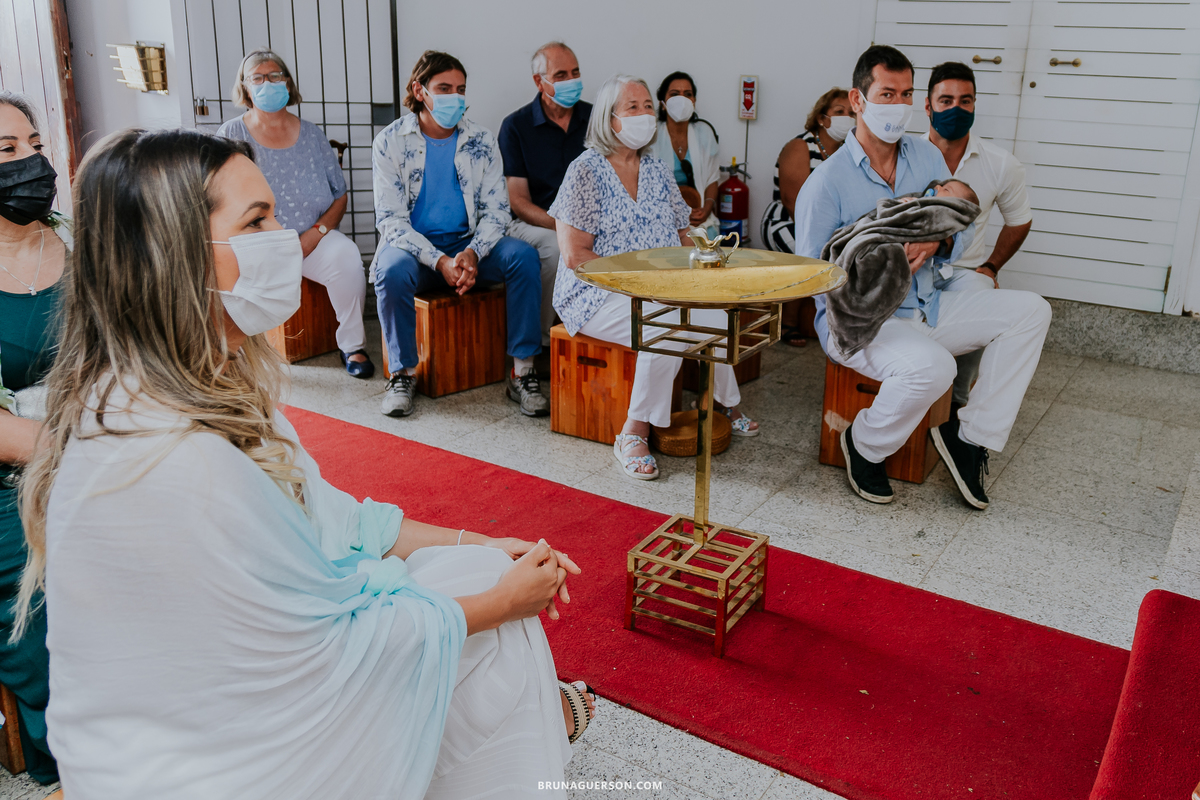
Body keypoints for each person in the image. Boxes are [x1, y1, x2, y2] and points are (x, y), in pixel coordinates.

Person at [15, 127, 595, 799]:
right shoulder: (163, 455)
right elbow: (314, 659)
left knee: (484, 573)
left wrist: (485, 543)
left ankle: (526, 738)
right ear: (174, 256)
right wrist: (495, 606)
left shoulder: (206, 381)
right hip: (223, 757)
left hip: (261, 694)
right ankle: (537, 732)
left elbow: (338, 519)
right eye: (258, 221)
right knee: (494, 635)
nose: (284, 237)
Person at [794, 45, 1051, 510]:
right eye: (886, 94)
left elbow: (959, 220)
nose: (898, 105)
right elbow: (811, 274)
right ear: (858, 99)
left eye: (906, 94)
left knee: (1032, 311)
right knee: (937, 367)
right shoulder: (825, 183)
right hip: (863, 321)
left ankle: (969, 437)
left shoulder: (926, 157)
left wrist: (936, 241)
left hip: (930, 301)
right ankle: (865, 445)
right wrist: (874, 261)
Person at [551, 74, 758, 482]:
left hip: (659, 289)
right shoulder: (585, 171)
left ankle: (726, 403)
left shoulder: (658, 169)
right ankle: (634, 431)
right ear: (610, 120)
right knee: (663, 325)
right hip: (593, 294)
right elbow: (575, 255)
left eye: (649, 106)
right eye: (634, 107)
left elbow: (684, 234)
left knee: (716, 314)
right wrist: (640, 286)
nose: (646, 114)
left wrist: (703, 268)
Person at [373, 51, 547, 418]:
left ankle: (523, 371)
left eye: (461, 89)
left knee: (524, 257)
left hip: (468, 246)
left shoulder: (482, 139)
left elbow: (498, 210)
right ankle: (403, 373)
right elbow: (391, 221)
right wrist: (439, 260)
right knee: (387, 271)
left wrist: (472, 253)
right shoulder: (390, 142)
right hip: (416, 253)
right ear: (420, 90)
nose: (455, 97)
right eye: (444, 88)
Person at [217, 48, 374, 380]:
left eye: (275, 76)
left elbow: (339, 195)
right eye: (257, 78)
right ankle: (237, 352)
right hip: (257, 243)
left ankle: (353, 345)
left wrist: (314, 235)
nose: (268, 83)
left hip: (311, 240)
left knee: (347, 258)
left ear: (287, 82)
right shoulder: (232, 136)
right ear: (245, 88)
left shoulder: (313, 134)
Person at [0, 92, 65, 785]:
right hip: (10, 482)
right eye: (6, 153)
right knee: (43, 607)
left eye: (34, 143)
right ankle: (71, 765)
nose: (30, 163)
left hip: (96, 443)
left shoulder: (77, 239)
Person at [923, 61, 1034, 413]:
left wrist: (991, 266)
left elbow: (1019, 221)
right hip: (910, 269)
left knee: (983, 296)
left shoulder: (1001, 163)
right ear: (928, 106)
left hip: (965, 272)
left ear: (974, 106)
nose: (956, 108)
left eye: (966, 101)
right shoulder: (905, 155)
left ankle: (958, 402)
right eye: (946, 100)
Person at [498, 42, 592, 352]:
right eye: (561, 74)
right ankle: (540, 344)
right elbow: (518, 200)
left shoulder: (596, 119)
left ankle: (596, 337)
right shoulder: (516, 127)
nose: (571, 81)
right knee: (555, 250)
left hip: (588, 221)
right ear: (540, 82)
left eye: (575, 72)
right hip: (535, 221)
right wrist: (563, 226)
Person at [760, 88, 851, 346]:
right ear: (822, 118)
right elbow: (793, 202)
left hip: (834, 228)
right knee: (807, 257)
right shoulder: (800, 147)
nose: (848, 118)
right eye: (839, 112)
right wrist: (823, 239)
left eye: (852, 113)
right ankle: (787, 324)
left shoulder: (849, 152)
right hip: (786, 221)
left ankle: (838, 323)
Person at [648, 71, 721, 240]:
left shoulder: (704, 134)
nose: (682, 99)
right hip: (662, 218)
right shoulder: (651, 136)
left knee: (708, 242)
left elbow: (712, 179)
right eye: (674, 94)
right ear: (663, 102)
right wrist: (676, 214)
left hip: (699, 217)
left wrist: (706, 209)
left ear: (694, 101)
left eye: (687, 94)